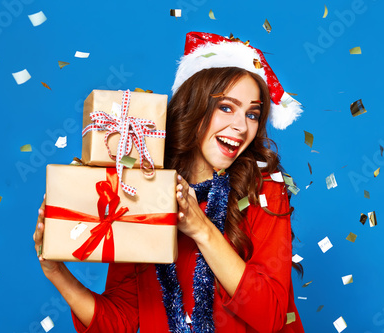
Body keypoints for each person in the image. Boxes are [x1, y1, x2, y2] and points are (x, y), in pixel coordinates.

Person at [33, 31, 305, 332]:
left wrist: (200, 228)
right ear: (193, 104)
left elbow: (272, 315)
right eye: (225, 107)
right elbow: (119, 321)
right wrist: (55, 269)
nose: (241, 126)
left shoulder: (264, 188)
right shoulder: (142, 188)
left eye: (253, 114)